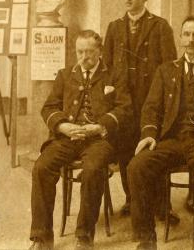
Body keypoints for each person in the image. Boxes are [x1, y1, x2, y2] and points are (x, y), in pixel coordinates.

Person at [128, 16, 194, 250]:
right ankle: (146, 240)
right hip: (172, 139)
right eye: (187, 34)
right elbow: (151, 108)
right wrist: (149, 134)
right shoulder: (166, 71)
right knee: (137, 166)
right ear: (180, 38)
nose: (191, 40)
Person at [28, 30, 131, 250]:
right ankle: (42, 236)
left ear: (100, 51)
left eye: (89, 52)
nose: (84, 57)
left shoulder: (114, 75)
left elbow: (125, 108)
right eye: (80, 52)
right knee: (41, 168)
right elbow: (49, 107)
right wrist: (63, 126)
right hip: (67, 138)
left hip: (98, 139)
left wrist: (100, 125)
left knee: (93, 169)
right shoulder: (65, 75)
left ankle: (84, 235)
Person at [102, 0, 177, 219]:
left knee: (155, 148)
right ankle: (132, 199)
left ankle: (163, 205)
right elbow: (107, 65)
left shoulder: (160, 26)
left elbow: (169, 68)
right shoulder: (114, 27)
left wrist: (165, 99)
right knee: (126, 151)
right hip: (124, 102)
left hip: (151, 99)